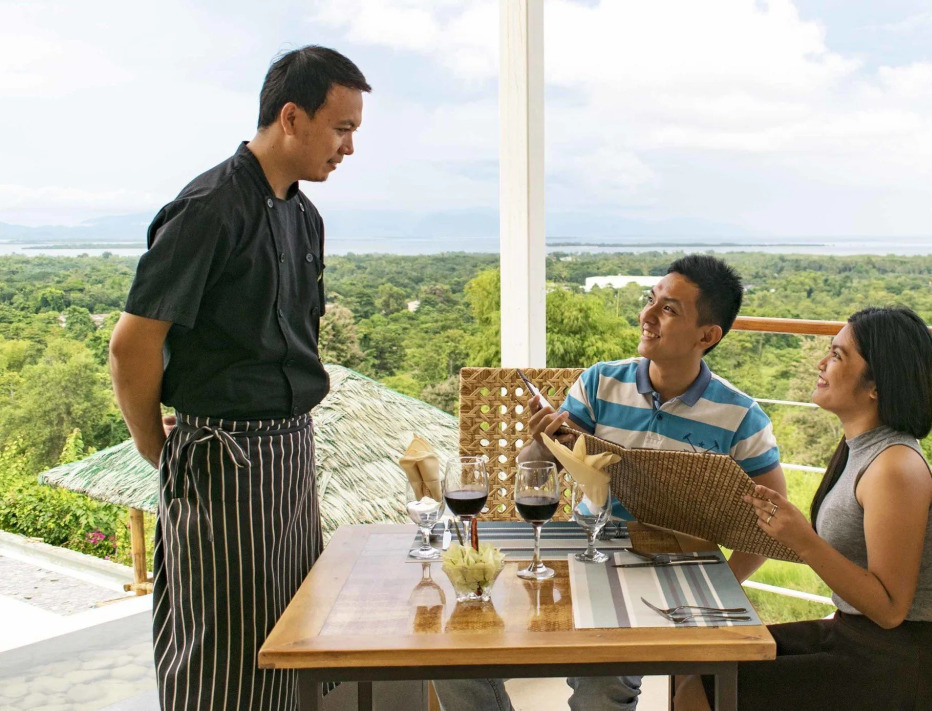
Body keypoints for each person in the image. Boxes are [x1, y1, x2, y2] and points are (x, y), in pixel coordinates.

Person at [108, 46, 370, 711]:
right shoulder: (208, 208)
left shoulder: (304, 216)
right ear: (292, 117)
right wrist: (155, 448)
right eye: (341, 128)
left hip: (290, 455)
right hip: (220, 463)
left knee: (290, 636)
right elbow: (132, 345)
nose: (348, 148)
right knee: (222, 653)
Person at [434, 254, 789, 711]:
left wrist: (718, 586)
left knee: (602, 689)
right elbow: (539, 472)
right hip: (582, 549)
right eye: (651, 300)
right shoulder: (600, 382)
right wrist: (540, 441)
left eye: (668, 309)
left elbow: (773, 523)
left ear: (707, 336)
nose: (647, 315)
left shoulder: (740, 417)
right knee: (454, 650)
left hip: (667, 567)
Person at [675, 306, 932, 710]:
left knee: (702, 687)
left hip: (894, 664)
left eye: (838, 355)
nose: (821, 364)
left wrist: (803, 540)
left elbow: (891, 609)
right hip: (853, 635)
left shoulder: (894, 468)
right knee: (695, 659)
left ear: (877, 385)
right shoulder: (859, 448)